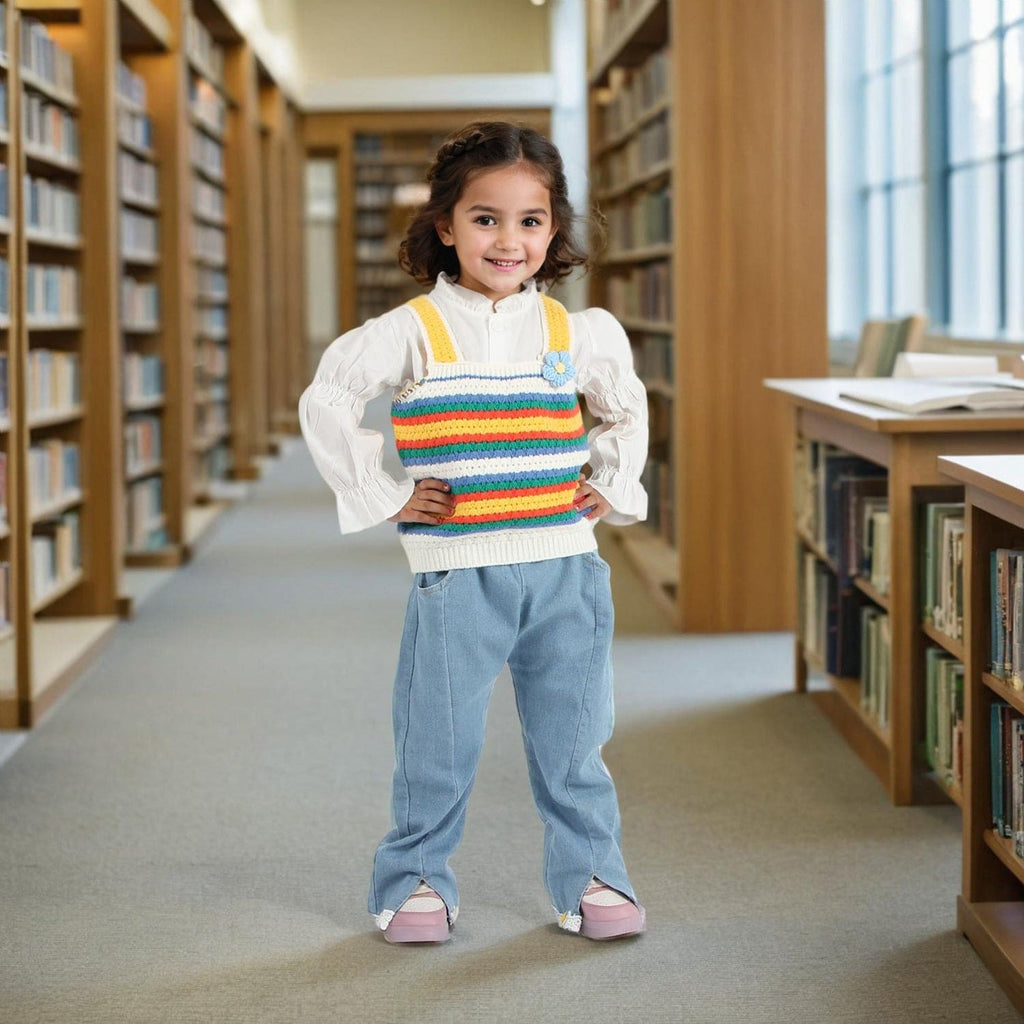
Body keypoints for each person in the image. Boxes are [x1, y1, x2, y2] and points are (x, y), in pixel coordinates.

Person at [299, 121, 649, 943]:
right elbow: (328, 399)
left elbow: (628, 409)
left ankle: (593, 875)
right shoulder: (413, 330)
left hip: (568, 569)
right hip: (458, 573)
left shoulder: (580, 332)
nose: (508, 239)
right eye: (485, 218)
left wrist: (609, 480)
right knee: (439, 739)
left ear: (553, 229)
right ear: (444, 225)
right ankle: (415, 878)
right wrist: (384, 492)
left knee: (574, 741)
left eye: (530, 220)